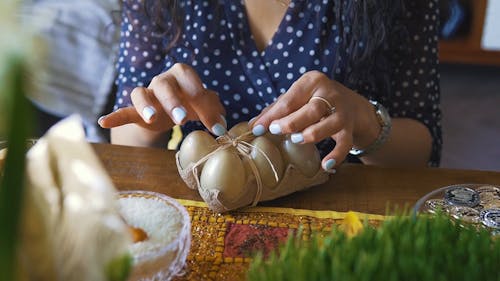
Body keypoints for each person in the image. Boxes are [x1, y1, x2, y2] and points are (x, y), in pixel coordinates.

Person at [98, 0, 442, 172]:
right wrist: (151, 122)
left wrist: (367, 124)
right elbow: (125, 137)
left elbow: (423, 144)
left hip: (341, 214)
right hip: (207, 209)